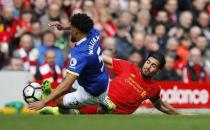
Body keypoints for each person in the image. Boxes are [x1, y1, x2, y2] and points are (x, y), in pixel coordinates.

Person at [28, 13, 115, 113]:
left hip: (92, 92)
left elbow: (66, 85)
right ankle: (103, 99)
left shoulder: (80, 54)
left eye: (71, 29)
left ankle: (99, 103)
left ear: (77, 32)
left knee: (59, 100)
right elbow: (79, 26)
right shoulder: (93, 32)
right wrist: (64, 27)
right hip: (102, 79)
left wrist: (44, 102)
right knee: (72, 79)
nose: (70, 32)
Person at [79, 52, 181, 114]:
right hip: (97, 105)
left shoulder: (153, 88)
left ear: (158, 70)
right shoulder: (128, 67)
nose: (148, 66)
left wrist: (180, 115)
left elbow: (160, 105)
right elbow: (102, 58)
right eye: (148, 62)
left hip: (118, 120)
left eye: (154, 65)